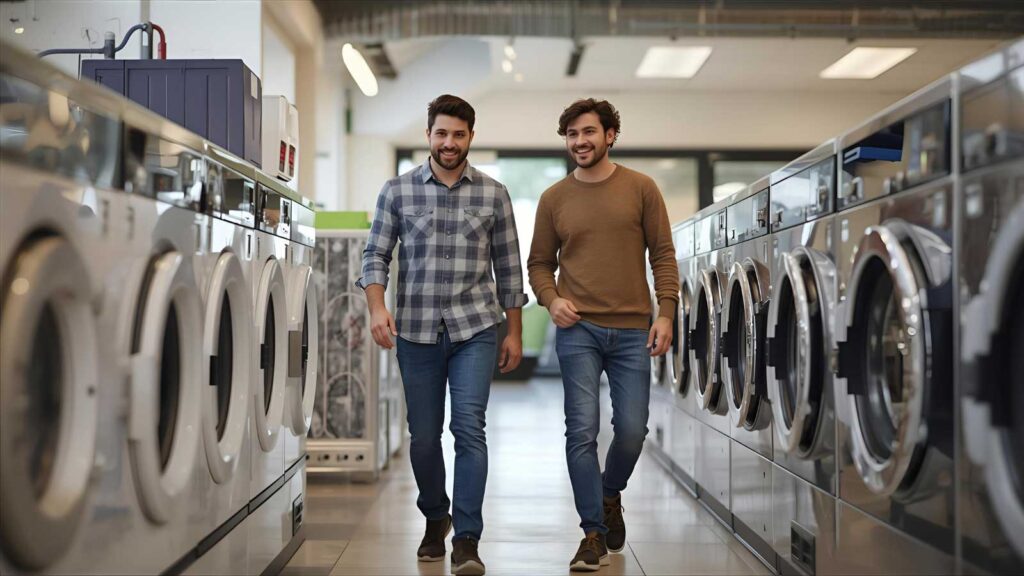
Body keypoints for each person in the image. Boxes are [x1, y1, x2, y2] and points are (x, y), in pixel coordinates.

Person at [357, 94, 528, 576]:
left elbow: (509, 271)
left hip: (476, 328)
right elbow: (374, 256)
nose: (449, 143)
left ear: (470, 137)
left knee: (469, 428)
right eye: (441, 133)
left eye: (458, 134)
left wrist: (513, 333)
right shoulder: (397, 191)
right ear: (428, 135)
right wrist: (377, 307)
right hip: (416, 331)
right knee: (424, 437)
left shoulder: (494, 194)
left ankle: (468, 539)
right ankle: (437, 516)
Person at [527, 98, 679, 572]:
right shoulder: (554, 198)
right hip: (578, 331)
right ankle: (592, 531)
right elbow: (538, 264)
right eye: (572, 135)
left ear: (610, 135)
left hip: (634, 329)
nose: (580, 142)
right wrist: (552, 300)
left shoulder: (641, 188)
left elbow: (663, 256)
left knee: (632, 431)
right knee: (582, 431)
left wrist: (666, 313)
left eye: (589, 132)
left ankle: (610, 493)